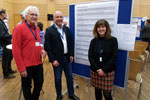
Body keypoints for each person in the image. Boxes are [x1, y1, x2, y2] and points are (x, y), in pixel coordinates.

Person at [12, 6, 47, 100]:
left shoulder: (37, 28)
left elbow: (35, 43)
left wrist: (41, 49)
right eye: (32, 14)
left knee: (39, 84)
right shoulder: (19, 28)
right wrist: (21, 68)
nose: (34, 16)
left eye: (36, 15)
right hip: (26, 65)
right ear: (26, 15)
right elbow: (16, 50)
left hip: (38, 63)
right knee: (27, 87)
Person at [44, 11, 80, 100]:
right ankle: (59, 95)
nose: (59, 18)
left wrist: (71, 54)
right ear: (53, 19)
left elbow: (70, 42)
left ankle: (71, 94)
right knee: (58, 79)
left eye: (61, 17)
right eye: (57, 17)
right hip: (57, 60)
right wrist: (52, 60)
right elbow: (48, 47)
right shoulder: (49, 30)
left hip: (67, 58)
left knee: (69, 77)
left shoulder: (66, 29)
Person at [88, 19, 118, 100]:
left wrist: (104, 70)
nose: (101, 29)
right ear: (96, 29)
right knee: (97, 92)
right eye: (98, 27)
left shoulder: (113, 40)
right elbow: (90, 56)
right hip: (95, 71)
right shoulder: (93, 41)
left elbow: (114, 57)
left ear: (107, 28)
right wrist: (98, 70)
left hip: (108, 72)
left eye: (103, 26)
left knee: (107, 94)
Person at [0, 9, 16, 79]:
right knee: (5, 59)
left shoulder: (2, 22)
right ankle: (6, 74)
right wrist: (12, 35)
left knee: (10, 57)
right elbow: (2, 35)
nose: (6, 15)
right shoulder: (0, 23)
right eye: (5, 13)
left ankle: (9, 70)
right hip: (5, 44)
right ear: (2, 14)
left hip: (8, 43)